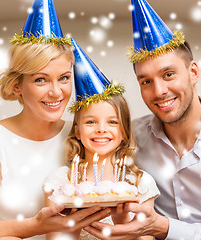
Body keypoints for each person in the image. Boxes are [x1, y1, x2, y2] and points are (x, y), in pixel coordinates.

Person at [84, 0, 201, 239]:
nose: (159, 91)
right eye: (146, 81)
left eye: (168, 74)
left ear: (193, 73)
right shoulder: (130, 136)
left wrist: (163, 227)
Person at [0, 1, 110, 239]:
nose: (56, 92)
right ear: (17, 86)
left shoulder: (83, 135)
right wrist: (36, 226)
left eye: (64, 78)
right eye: (41, 80)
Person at [43, 39, 160, 240]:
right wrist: (72, 221)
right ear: (77, 132)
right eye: (90, 122)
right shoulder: (61, 183)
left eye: (112, 122)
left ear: (124, 132)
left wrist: (122, 223)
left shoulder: (140, 183)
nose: (101, 130)